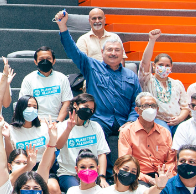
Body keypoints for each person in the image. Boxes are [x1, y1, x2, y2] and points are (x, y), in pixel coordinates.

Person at [56, 11, 140, 142]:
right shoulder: (92, 67)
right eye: (109, 50)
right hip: (100, 120)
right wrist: (63, 27)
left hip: (125, 121)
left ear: (122, 53)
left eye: (117, 50)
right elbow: (73, 51)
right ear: (102, 52)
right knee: (95, 133)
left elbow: (137, 102)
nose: (113, 53)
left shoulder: (131, 76)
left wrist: (131, 121)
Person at [52, 94, 110, 194]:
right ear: (75, 105)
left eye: (91, 109)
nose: (89, 111)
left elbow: (102, 153)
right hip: (69, 173)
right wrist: (69, 129)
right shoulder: (62, 126)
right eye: (86, 107)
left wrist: (102, 177)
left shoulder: (95, 127)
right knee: (80, 192)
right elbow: (58, 146)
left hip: (91, 172)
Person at [118, 92, 177, 187]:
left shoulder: (165, 132)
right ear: (137, 110)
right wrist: (149, 179)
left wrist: (165, 177)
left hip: (163, 175)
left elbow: (171, 160)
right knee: (144, 192)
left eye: (153, 106)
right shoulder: (127, 132)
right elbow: (126, 163)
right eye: (145, 106)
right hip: (138, 176)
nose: (150, 109)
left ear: (157, 110)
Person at [138, 30, 189, 133]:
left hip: (177, 120)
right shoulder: (148, 80)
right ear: (154, 66)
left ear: (171, 67)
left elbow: (186, 107)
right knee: (165, 132)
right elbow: (145, 62)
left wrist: (180, 118)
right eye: (160, 65)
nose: (164, 68)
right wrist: (152, 40)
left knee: (187, 131)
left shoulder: (177, 84)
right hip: (157, 120)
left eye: (167, 66)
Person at [19, 47, 72, 122]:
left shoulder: (62, 78)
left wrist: (57, 122)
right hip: (35, 122)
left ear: (54, 61)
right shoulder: (28, 79)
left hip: (57, 121)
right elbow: (24, 103)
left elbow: (67, 102)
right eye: (41, 59)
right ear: (35, 62)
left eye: (48, 58)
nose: (45, 61)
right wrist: (37, 122)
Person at [5, 95, 48, 161]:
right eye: (28, 106)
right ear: (20, 108)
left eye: (34, 107)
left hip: (42, 166)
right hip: (21, 167)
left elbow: (51, 153)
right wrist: (7, 139)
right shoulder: (10, 130)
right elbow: (10, 158)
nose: (32, 109)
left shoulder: (44, 127)